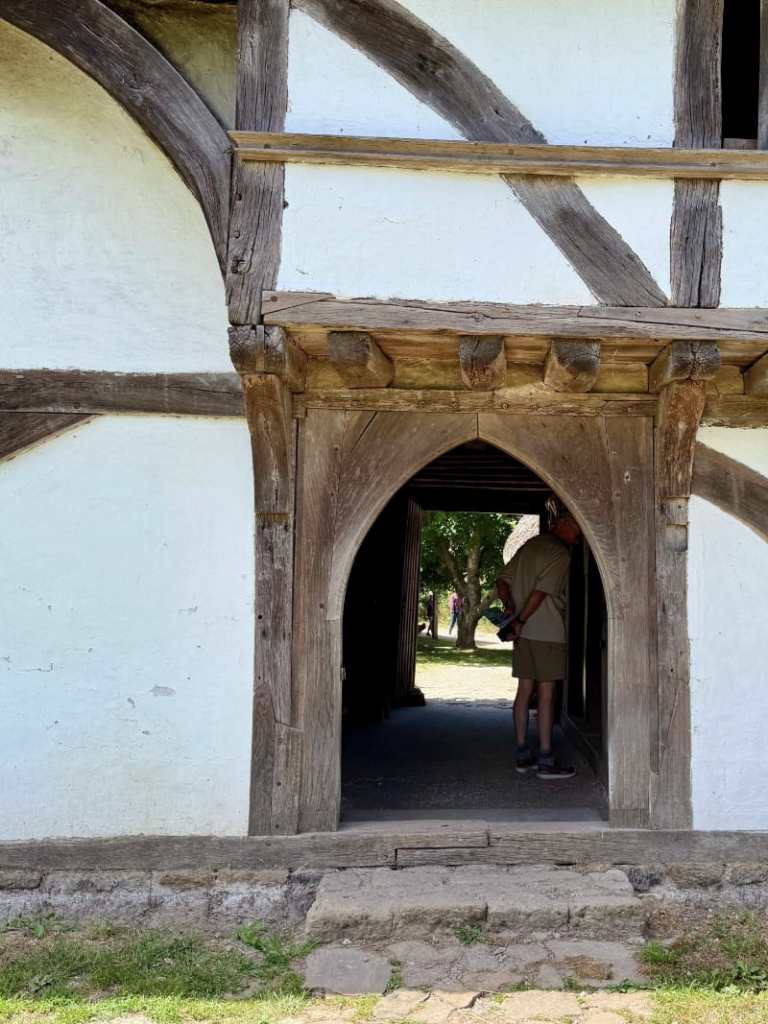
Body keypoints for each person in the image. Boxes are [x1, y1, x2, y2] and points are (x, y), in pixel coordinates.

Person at [495, 508, 581, 780]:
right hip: (547, 633)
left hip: (524, 636)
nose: (578, 537)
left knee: (523, 692)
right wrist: (519, 619)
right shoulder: (560, 554)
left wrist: (510, 608)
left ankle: (522, 754)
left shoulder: (529, 546)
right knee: (546, 695)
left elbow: (502, 581)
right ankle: (545, 759)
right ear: (563, 524)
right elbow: (541, 593)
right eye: (577, 530)